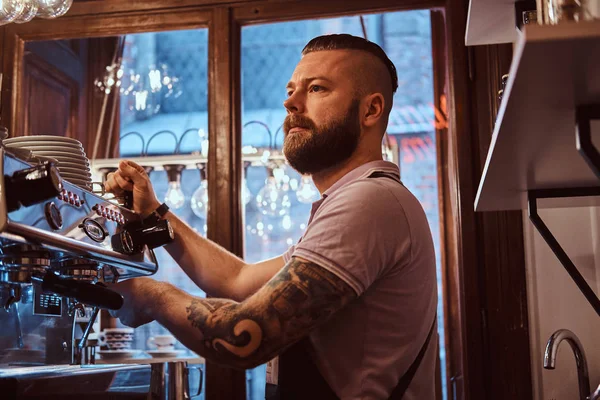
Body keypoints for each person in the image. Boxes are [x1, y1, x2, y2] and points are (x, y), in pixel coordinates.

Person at [104, 34, 437, 399]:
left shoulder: (369, 202)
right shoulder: (359, 201)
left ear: (371, 110)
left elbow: (244, 335)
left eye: (317, 89)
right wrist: (154, 212)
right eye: (292, 89)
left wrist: (153, 296)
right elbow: (236, 280)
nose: (290, 102)